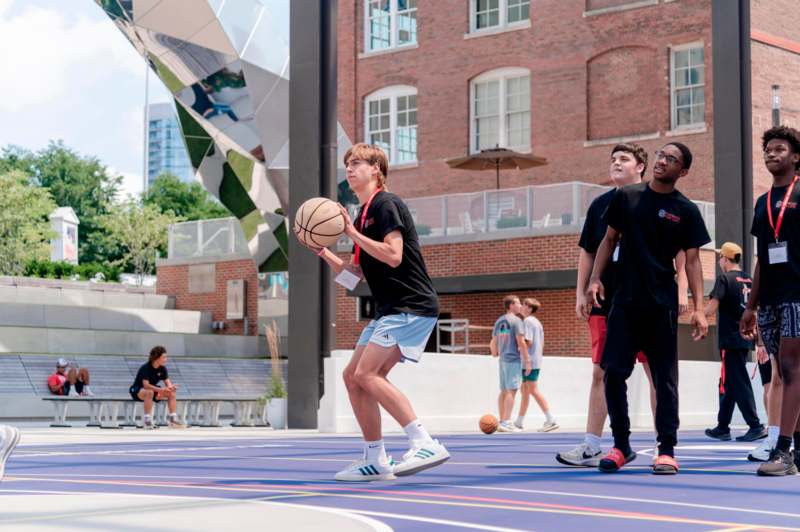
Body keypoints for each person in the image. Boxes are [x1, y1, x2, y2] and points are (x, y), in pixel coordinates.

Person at [307, 143, 447, 481]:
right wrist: (322, 250)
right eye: (347, 164)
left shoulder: (386, 204)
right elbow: (355, 278)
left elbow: (394, 255)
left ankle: (423, 441)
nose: (349, 169)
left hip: (411, 305)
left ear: (376, 169)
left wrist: (351, 233)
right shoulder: (361, 213)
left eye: (357, 163)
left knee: (368, 375)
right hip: (389, 310)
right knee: (352, 378)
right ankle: (375, 458)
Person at [587, 142, 710, 475]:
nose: (662, 161)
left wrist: (700, 308)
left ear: (682, 171)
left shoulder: (686, 210)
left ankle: (666, 449)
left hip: (661, 306)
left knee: (665, 381)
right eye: (661, 155)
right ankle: (621, 445)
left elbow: (694, 261)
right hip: (624, 303)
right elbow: (608, 240)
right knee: (612, 373)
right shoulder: (626, 197)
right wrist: (595, 279)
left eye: (671, 159)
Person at [558, 143, 682, 467]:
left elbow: (681, 253)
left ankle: (662, 447)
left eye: (623, 159)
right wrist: (580, 293)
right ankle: (591, 445)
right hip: (607, 302)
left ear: (640, 167)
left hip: (651, 302)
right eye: (613, 159)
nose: (616, 163)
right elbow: (587, 251)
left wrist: (682, 293)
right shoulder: (600, 205)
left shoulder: (660, 203)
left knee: (658, 374)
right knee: (601, 373)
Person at [741, 125, 800, 476]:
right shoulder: (762, 203)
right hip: (771, 300)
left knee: (793, 369)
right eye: (767, 150)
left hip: (798, 296)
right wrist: (751, 306)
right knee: (783, 370)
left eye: (779, 149)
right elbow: (763, 256)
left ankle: (784, 452)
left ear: (795, 157)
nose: (771, 154)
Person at [703, 242, 766, 442]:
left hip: (730, 338)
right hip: (746, 336)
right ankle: (723, 426)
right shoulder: (748, 278)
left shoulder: (724, 278)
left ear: (724, 258)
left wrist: (699, 316)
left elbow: (712, 308)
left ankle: (755, 425)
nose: (719, 261)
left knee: (738, 381)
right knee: (728, 382)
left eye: (720, 258)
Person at [516, 297, 558, 432]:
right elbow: (541, 344)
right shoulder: (537, 322)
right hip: (535, 360)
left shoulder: (527, 321)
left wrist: (517, 349)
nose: (522, 307)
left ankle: (551, 419)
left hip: (529, 362)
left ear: (529, 308)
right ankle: (519, 422)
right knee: (525, 391)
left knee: (532, 390)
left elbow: (528, 342)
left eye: (524, 305)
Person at [490, 295, 529, 433]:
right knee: (511, 391)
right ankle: (506, 422)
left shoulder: (499, 321)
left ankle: (502, 421)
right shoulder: (517, 321)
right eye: (518, 303)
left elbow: (493, 341)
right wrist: (528, 361)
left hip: (502, 360)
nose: (520, 306)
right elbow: (521, 342)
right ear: (511, 305)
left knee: (504, 391)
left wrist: (495, 352)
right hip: (513, 359)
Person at [130, 346, 187, 429]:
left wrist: (172, 387)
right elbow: (146, 385)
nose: (166, 359)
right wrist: (161, 390)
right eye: (164, 357)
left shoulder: (163, 369)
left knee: (171, 393)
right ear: (156, 357)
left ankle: (173, 421)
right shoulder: (145, 368)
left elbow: (168, 383)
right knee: (149, 392)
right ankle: (147, 421)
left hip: (153, 390)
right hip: (137, 390)